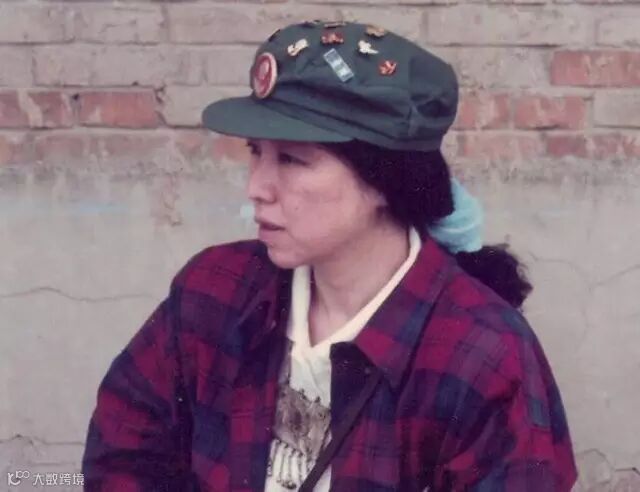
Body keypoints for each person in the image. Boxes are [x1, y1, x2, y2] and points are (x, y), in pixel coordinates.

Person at [81, 20, 578, 491]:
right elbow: (124, 452)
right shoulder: (214, 291)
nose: (256, 187)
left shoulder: (483, 356)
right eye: (255, 151)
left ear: (383, 180)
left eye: (292, 160)